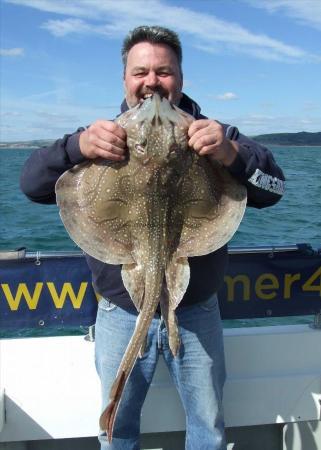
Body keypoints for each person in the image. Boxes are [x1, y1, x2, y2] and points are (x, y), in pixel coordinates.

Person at [20, 25, 285, 450]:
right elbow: (31, 184)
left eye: (164, 72)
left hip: (197, 309)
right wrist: (77, 146)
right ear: (125, 78)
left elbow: (275, 190)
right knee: (117, 429)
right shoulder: (99, 138)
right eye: (141, 71)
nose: (152, 82)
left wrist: (231, 156)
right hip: (120, 313)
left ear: (180, 77)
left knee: (209, 425)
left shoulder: (215, 135)